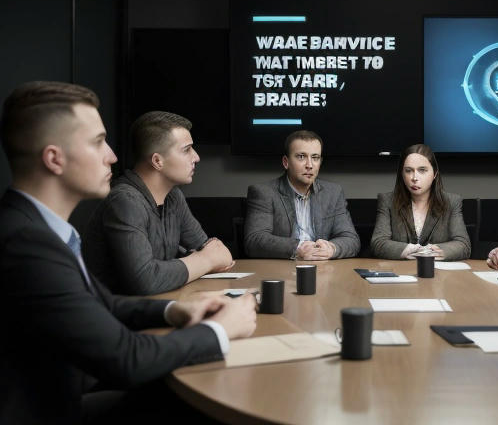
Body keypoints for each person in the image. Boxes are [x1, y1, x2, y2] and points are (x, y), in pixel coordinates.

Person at [0, 81, 257, 425]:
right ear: (54, 159)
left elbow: (103, 303)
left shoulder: (36, 229)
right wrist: (220, 331)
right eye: (97, 142)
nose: (113, 155)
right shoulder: (26, 244)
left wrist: (175, 311)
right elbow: (126, 359)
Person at [83, 111, 234, 295]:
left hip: (161, 305)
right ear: (157, 161)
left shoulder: (173, 196)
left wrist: (203, 258)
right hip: (116, 317)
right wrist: (206, 260)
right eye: (186, 150)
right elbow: (145, 281)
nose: (196, 157)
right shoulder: (124, 201)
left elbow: (216, 252)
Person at [244, 130, 360, 260]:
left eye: (315, 158)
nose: (309, 165)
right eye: (301, 157)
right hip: (283, 270)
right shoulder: (264, 192)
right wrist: (298, 248)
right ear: (286, 162)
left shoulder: (333, 192)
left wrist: (331, 248)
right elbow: (254, 241)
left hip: (324, 269)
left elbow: (351, 239)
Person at [370, 143, 470, 260]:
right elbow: (378, 243)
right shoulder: (387, 201)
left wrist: (430, 252)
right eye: (408, 171)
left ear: (435, 174)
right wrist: (410, 250)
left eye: (422, 170)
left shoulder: (452, 202)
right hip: (400, 273)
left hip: (439, 275)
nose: (414, 177)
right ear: (402, 174)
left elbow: (463, 245)